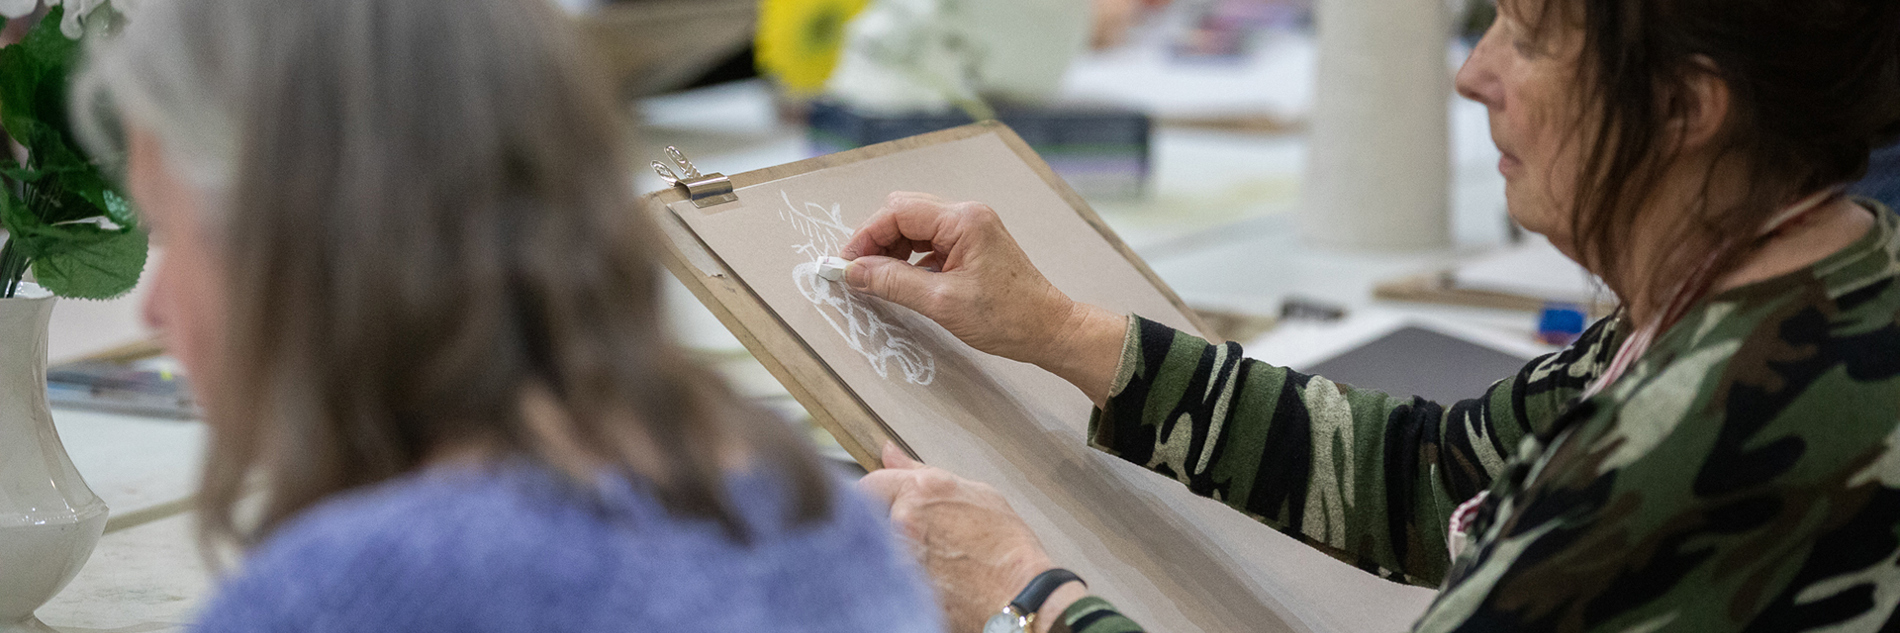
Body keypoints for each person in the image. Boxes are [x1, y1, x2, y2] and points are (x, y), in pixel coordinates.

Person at [847, 0, 1900, 630]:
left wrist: (1017, 592)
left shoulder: (1681, 442)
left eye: (1527, 36)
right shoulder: (1810, 275)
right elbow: (1438, 473)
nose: (1472, 71)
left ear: (1684, 105)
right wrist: (1056, 329)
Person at [73, 0, 942, 631]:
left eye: (168, 236)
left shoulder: (347, 595)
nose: (152, 304)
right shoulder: (813, 516)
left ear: (298, 248)